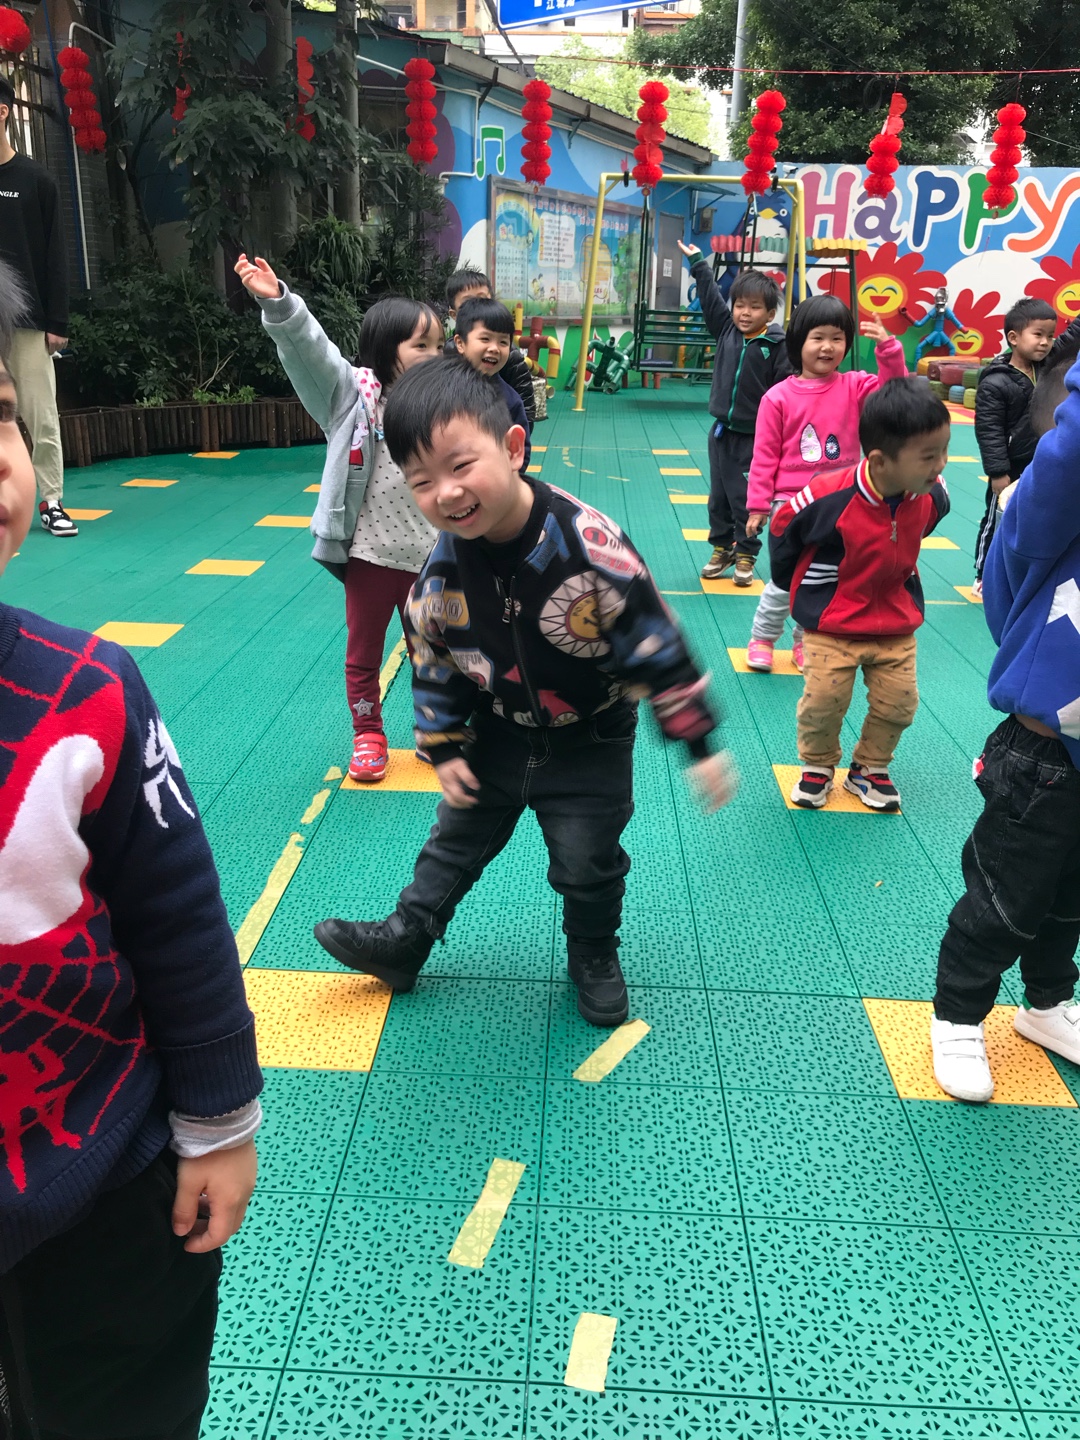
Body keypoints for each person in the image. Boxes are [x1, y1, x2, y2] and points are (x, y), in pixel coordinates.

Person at [0, 255, 262, 1439]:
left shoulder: (88, 694)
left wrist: (218, 1121)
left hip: (98, 1174)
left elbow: (178, 919)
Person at [312, 359, 736, 1027]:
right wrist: (443, 742)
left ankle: (593, 952)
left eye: (461, 466)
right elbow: (432, 653)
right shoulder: (444, 567)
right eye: (422, 481)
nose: (447, 493)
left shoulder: (590, 546)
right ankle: (407, 938)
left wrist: (699, 745)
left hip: (591, 734)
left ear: (513, 447)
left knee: (587, 855)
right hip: (497, 728)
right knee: (455, 838)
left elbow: (654, 641)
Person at [931, 347, 1080, 1102]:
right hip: (1044, 754)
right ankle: (958, 1015)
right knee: (1003, 896)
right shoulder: (1046, 507)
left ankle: (1048, 1005)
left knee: (1071, 903)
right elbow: (1064, 465)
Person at [235, 253, 443, 784]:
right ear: (386, 349)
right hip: (369, 554)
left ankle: (435, 728)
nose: (434, 355)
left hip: (431, 557)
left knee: (435, 651)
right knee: (363, 653)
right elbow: (311, 351)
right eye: (421, 345)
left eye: (438, 346)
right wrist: (279, 303)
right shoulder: (353, 397)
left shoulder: (441, 406)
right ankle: (368, 734)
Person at [769, 376, 950, 812]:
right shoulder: (828, 496)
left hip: (895, 622)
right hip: (832, 621)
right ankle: (818, 764)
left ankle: (869, 767)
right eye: (929, 456)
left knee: (899, 703)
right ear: (880, 460)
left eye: (944, 451)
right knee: (824, 701)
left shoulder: (931, 496)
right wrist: (800, 588)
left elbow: (918, 527)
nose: (941, 465)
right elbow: (783, 530)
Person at [743, 295, 906, 672]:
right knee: (786, 579)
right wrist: (757, 505)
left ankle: (805, 640)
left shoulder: (855, 386)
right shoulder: (777, 398)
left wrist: (888, 349)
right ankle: (763, 638)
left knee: (824, 579)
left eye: (837, 338)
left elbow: (894, 394)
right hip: (791, 504)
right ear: (798, 341)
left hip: (841, 502)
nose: (828, 347)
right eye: (818, 337)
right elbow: (764, 455)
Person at [676, 238, 792, 584]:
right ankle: (722, 547)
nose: (744, 313)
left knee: (746, 499)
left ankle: (746, 553)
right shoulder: (726, 330)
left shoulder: (777, 346)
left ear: (770, 314)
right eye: (740, 305)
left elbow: (786, 392)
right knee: (719, 498)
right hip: (721, 433)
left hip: (755, 438)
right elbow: (711, 297)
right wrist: (699, 263)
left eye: (754, 307)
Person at [0, 75, 77, 538]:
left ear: (3, 111)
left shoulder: (36, 181)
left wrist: (57, 321)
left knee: (41, 415)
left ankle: (51, 500)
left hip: (27, 324)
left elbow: (55, 256)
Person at [972, 296, 1080, 596]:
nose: (1045, 342)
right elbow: (989, 430)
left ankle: (1027, 572)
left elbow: (1072, 338)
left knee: (1036, 517)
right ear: (1013, 338)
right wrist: (997, 472)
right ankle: (983, 573)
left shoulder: (1046, 366)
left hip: (1040, 461)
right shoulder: (996, 382)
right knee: (996, 519)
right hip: (1010, 466)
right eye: (1038, 335)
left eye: (1050, 335)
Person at [444, 266, 536, 426]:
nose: (494, 348)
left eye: (484, 300)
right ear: (453, 314)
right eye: (468, 302)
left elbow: (525, 407)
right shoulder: (445, 354)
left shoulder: (510, 358)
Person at [453, 295, 532, 472]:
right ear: (460, 343)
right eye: (485, 339)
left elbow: (521, 451)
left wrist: (505, 478)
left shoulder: (510, 401)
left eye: (503, 342)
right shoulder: (440, 388)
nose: (494, 348)